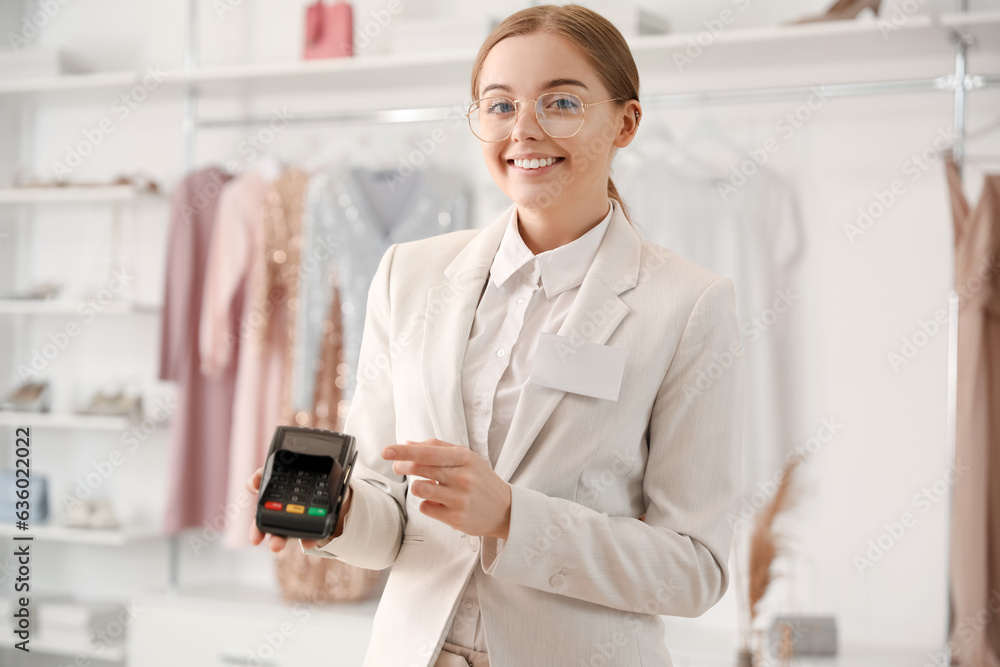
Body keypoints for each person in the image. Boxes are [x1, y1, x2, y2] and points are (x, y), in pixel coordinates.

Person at [247, 5, 744, 666]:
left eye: (560, 102)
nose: (524, 130)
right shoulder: (410, 275)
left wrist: (513, 515)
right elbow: (390, 516)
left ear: (626, 122)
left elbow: (693, 569)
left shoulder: (688, 305)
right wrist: (336, 516)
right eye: (500, 105)